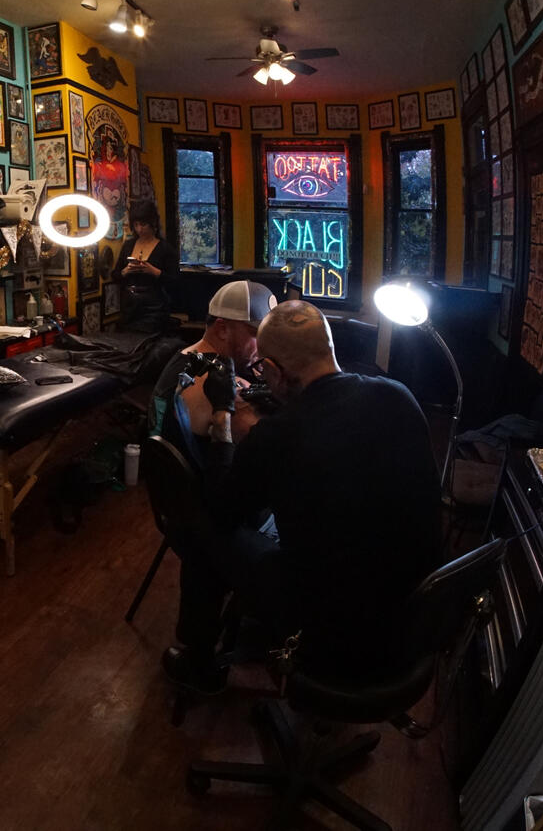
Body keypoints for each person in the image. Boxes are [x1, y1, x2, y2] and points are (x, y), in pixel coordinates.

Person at [162, 301, 443, 694]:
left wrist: (226, 418)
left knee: (204, 521)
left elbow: (224, 511)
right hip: (410, 619)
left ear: (273, 371)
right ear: (328, 348)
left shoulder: (278, 438)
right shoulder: (399, 396)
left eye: (263, 369)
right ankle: (249, 634)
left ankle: (199, 660)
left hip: (330, 631)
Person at [149, 280, 276, 457]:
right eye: (256, 334)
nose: (263, 346)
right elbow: (265, 443)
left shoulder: (187, 356)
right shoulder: (215, 381)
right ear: (223, 329)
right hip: (199, 482)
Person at [115, 202, 178, 332]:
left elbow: (175, 281)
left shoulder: (165, 248)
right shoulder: (128, 245)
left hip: (154, 306)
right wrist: (125, 271)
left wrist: (153, 271)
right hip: (129, 305)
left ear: (152, 223)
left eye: (143, 225)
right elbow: (115, 275)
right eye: (136, 225)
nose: (139, 229)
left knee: (148, 340)